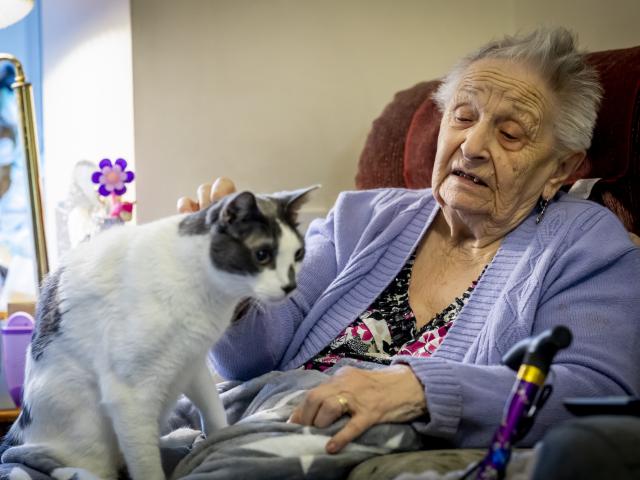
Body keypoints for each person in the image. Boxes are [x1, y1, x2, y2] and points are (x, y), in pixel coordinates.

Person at [177, 27, 640, 456]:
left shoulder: (584, 243)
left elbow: (593, 391)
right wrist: (231, 281)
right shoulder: (361, 217)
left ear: (560, 169)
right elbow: (251, 361)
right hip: (259, 419)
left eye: (510, 133)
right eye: (462, 117)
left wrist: (418, 391)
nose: (473, 145)